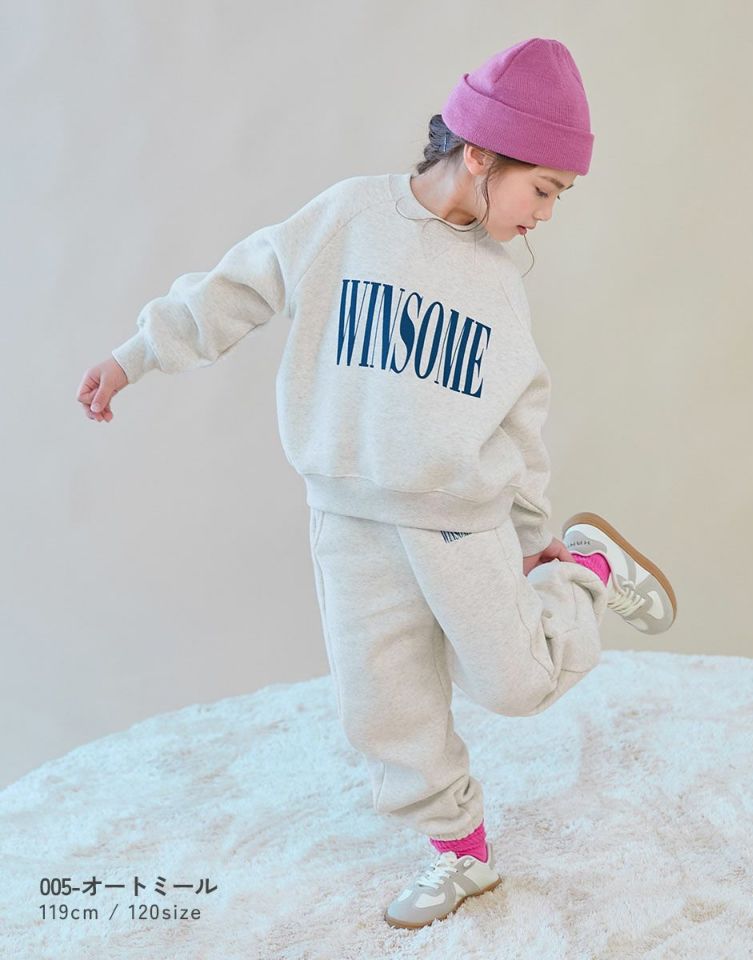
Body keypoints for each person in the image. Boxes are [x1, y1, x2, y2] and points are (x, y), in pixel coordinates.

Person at [75, 36, 677, 930]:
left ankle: (585, 570)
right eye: (545, 189)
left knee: (514, 685)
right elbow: (239, 286)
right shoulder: (348, 216)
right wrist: (135, 356)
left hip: (460, 522)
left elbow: (520, 418)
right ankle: (461, 855)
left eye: (559, 196)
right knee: (383, 705)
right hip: (348, 517)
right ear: (483, 154)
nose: (548, 213)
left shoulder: (497, 285)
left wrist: (531, 538)